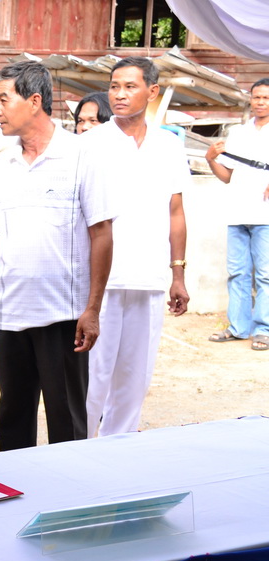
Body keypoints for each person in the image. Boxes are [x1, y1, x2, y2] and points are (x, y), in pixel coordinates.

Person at [0, 61, 114, 451]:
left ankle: (70, 490)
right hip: (9, 314)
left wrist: (93, 309)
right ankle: (16, 490)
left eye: (3, 100)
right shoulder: (0, 165)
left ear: (34, 101)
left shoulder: (81, 156)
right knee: (12, 421)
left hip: (63, 317)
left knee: (67, 422)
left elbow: (101, 234)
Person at [83, 56, 190, 437]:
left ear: (152, 91)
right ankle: (79, 450)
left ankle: (120, 450)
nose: (120, 94)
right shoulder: (91, 144)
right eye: (114, 86)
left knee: (135, 377)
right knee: (93, 376)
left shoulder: (169, 145)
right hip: (101, 281)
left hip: (149, 278)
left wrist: (178, 273)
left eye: (130, 86)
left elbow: (175, 212)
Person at [205, 77, 269, 352]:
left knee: (265, 275)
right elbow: (227, 176)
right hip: (238, 213)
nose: (261, 102)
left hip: (265, 215)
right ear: (250, 99)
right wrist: (210, 158)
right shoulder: (238, 133)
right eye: (257, 97)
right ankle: (239, 328)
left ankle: (264, 330)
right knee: (238, 273)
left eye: (266, 98)